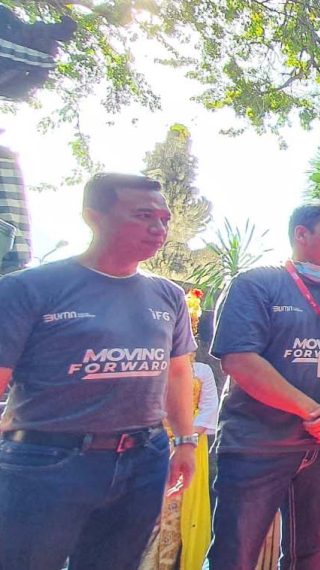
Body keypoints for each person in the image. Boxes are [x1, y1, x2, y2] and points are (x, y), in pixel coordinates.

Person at [0, 172, 197, 570]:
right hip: (46, 459)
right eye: (143, 215)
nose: (158, 228)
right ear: (93, 216)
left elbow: (177, 373)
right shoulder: (29, 288)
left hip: (144, 458)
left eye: (164, 219)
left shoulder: (169, 295)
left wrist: (185, 442)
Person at [207, 202, 320, 570]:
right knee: (233, 554)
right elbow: (239, 359)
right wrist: (314, 411)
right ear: (301, 234)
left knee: (310, 553)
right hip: (258, 444)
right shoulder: (255, 283)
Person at [141, 288, 220, 570]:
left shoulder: (202, 371)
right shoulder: (149, 365)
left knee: (181, 510)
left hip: (189, 444)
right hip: (152, 443)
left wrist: (183, 437)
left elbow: (210, 408)